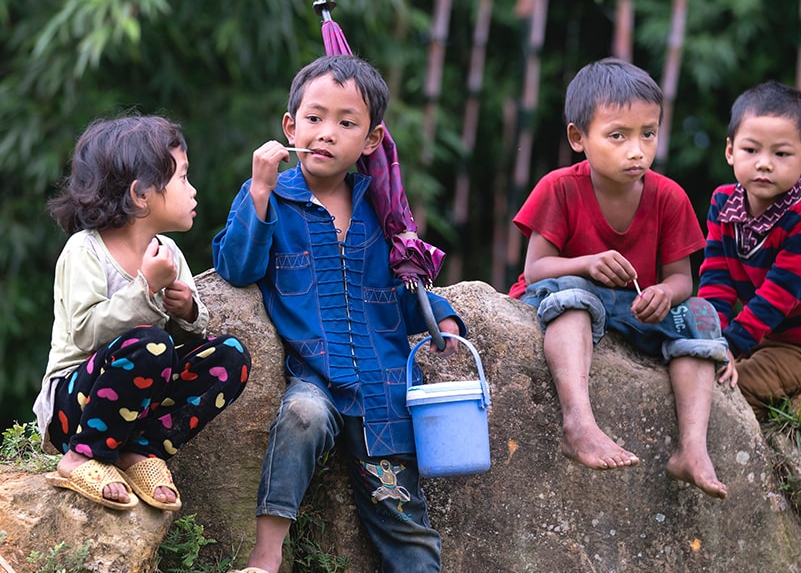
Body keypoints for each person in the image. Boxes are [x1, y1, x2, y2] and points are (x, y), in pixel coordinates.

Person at [213, 54, 465, 573]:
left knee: (405, 525)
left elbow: (402, 285)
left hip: (383, 393)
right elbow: (236, 267)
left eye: (347, 123)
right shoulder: (273, 199)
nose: (327, 133)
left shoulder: (383, 210)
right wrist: (258, 190)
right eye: (314, 118)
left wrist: (437, 315)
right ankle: (266, 557)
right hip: (317, 378)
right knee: (301, 416)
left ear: (372, 140)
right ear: (290, 128)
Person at [508, 58, 732, 499]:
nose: (637, 150)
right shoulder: (559, 188)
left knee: (701, 314)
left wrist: (664, 293)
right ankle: (579, 424)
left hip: (635, 313)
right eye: (618, 136)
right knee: (574, 295)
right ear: (578, 138)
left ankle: (691, 449)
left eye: (648, 133)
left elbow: (681, 280)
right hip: (569, 299)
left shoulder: (669, 197)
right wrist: (586, 264)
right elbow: (536, 270)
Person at [34, 114, 251, 511]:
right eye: (183, 177)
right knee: (150, 344)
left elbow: (180, 343)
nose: (193, 190)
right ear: (140, 194)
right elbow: (86, 334)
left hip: (138, 406)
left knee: (230, 355)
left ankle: (139, 452)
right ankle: (81, 456)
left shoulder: (168, 252)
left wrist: (187, 311)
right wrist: (146, 288)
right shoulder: (85, 250)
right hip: (75, 407)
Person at [698, 81, 801, 416]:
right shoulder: (723, 203)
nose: (764, 163)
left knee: (731, 389)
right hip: (771, 336)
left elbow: (779, 295)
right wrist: (711, 339)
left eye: (781, 154)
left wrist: (732, 345)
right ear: (730, 151)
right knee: (695, 367)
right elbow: (717, 280)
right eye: (751, 150)